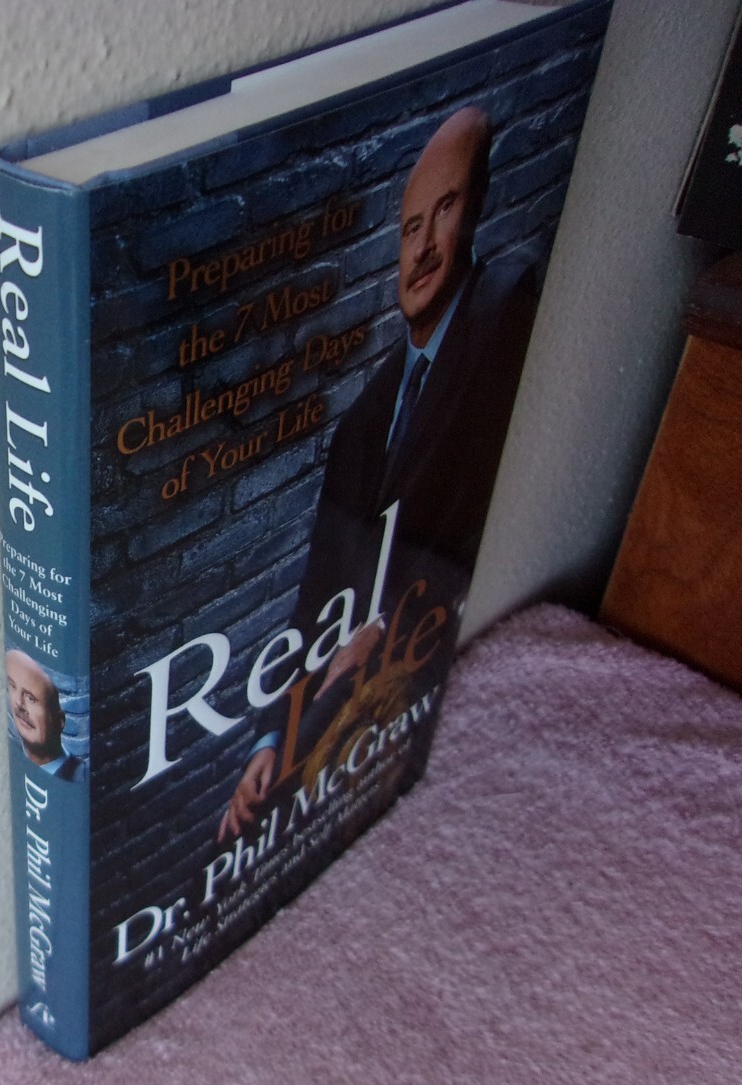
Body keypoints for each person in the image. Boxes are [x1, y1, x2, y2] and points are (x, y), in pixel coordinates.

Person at [220, 106, 538, 839]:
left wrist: (388, 626)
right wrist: (271, 738)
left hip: (423, 665)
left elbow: (479, 513)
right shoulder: (362, 422)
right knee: (252, 825)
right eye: (409, 228)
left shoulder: (504, 306)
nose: (422, 249)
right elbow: (316, 603)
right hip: (346, 701)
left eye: (445, 210)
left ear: (477, 209)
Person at [6, 649, 86, 782]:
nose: (19, 704)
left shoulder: (80, 776)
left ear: (59, 721)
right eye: (12, 686)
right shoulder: (14, 754)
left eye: (30, 698)